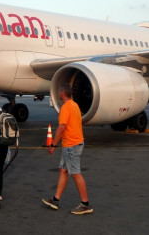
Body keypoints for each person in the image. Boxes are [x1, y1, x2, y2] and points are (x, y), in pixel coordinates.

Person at [42, 84, 93, 215]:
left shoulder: (65, 107)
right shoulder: (74, 105)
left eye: (59, 92)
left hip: (71, 145)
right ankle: (55, 199)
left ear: (62, 93)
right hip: (73, 143)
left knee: (76, 173)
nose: (59, 94)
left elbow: (61, 127)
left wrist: (53, 144)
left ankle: (85, 204)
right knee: (63, 171)